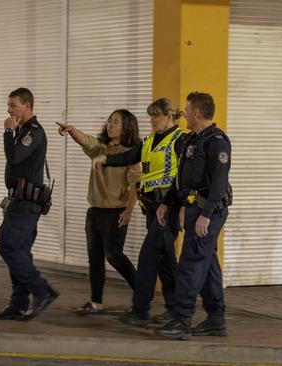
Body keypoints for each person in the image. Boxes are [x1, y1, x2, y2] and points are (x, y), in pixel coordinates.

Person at [93, 98, 186, 326]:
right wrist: (106, 158)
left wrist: (183, 205)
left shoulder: (180, 140)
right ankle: (175, 309)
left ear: (170, 116)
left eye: (156, 116)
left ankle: (140, 310)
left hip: (169, 209)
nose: (152, 120)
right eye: (150, 116)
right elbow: (128, 157)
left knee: (148, 256)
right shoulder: (148, 141)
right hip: (152, 209)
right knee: (165, 260)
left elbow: (186, 174)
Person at [154, 92, 232, 340]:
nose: (184, 114)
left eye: (187, 110)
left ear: (197, 113)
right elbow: (182, 180)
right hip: (194, 210)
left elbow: (219, 183)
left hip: (207, 212)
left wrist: (206, 215)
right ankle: (216, 320)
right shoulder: (192, 140)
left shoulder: (217, 142)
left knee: (189, 264)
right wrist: (167, 203)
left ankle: (181, 319)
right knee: (207, 264)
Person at [57, 110, 141, 315]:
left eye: (116, 122)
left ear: (127, 126)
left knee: (114, 255)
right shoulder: (101, 149)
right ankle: (96, 302)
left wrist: (128, 212)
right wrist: (71, 130)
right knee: (95, 258)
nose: (110, 125)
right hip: (95, 211)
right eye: (109, 121)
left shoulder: (131, 153)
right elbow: (86, 141)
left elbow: (135, 186)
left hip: (115, 212)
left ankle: (142, 293)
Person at [0, 87, 58, 321]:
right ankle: (18, 303)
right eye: (9, 105)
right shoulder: (22, 131)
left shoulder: (33, 131)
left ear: (27, 106)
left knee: (8, 247)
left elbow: (14, 157)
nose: (9, 110)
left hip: (26, 203)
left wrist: (7, 132)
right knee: (19, 251)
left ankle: (43, 291)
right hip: (19, 201)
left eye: (13, 105)